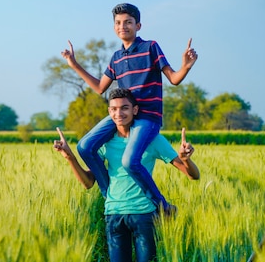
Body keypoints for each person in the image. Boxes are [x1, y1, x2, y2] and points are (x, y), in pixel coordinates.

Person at [61, 2, 198, 214]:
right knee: (85, 146)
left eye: (128, 22)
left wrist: (186, 67)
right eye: (118, 23)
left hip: (146, 117)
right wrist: (74, 64)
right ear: (114, 27)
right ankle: (110, 195)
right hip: (124, 114)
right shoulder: (116, 57)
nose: (122, 26)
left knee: (129, 160)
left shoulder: (150, 47)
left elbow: (173, 78)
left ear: (138, 26)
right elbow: (99, 88)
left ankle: (162, 206)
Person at [54, 88, 200, 262]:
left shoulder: (152, 139)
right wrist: (70, 157)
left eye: (124, 108)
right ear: (109, 112)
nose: (119, 113)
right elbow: (88, 182)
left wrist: (186, 160)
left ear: (135, 110)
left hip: (144, 214)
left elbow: (193, 176)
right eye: (114, 109)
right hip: (113, 215)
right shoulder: (104, 142)